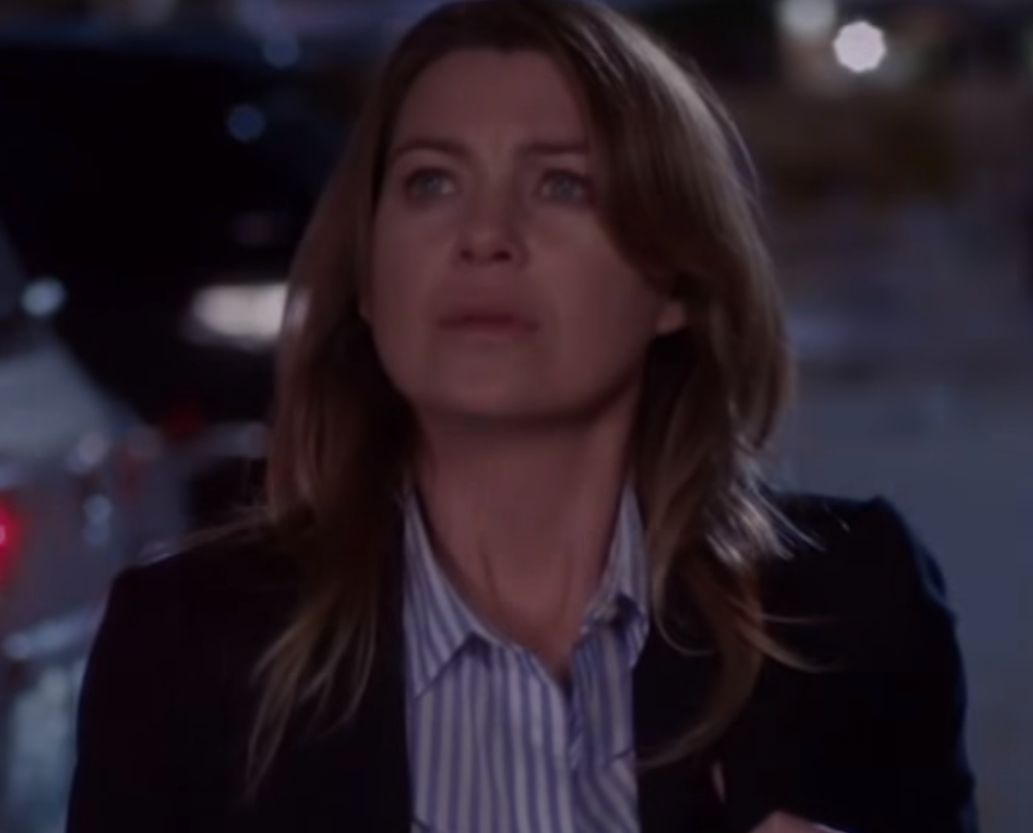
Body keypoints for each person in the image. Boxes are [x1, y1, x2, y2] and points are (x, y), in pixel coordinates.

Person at [67, 1, 978, 832]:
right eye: (431, 182)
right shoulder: (188, 647)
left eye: (562, 185)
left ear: (676, 281)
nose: (483, 235)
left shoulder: (846, 609)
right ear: (370, 276)